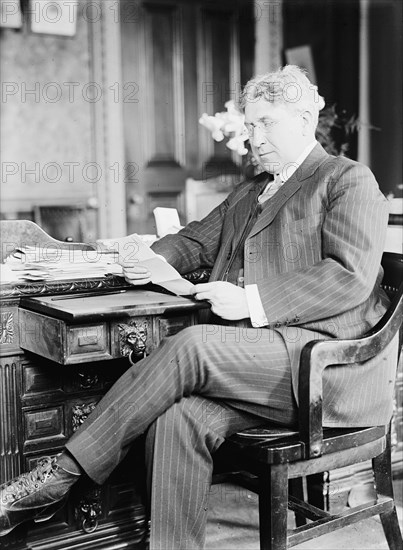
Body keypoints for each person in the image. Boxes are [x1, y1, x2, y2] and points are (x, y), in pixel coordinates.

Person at [0, 66, 397, 549]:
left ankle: (58, 476)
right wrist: (145, 258)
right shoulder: (250, 191)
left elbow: (349, 276)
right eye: (250, 125)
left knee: (191, 346)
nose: (255, 137)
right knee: (178, 419)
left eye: (266, 122)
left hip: (325, 366)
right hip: (266, 366)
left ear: (303, 120)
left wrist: (251, 300)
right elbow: (193, 243)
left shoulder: (347, 179)